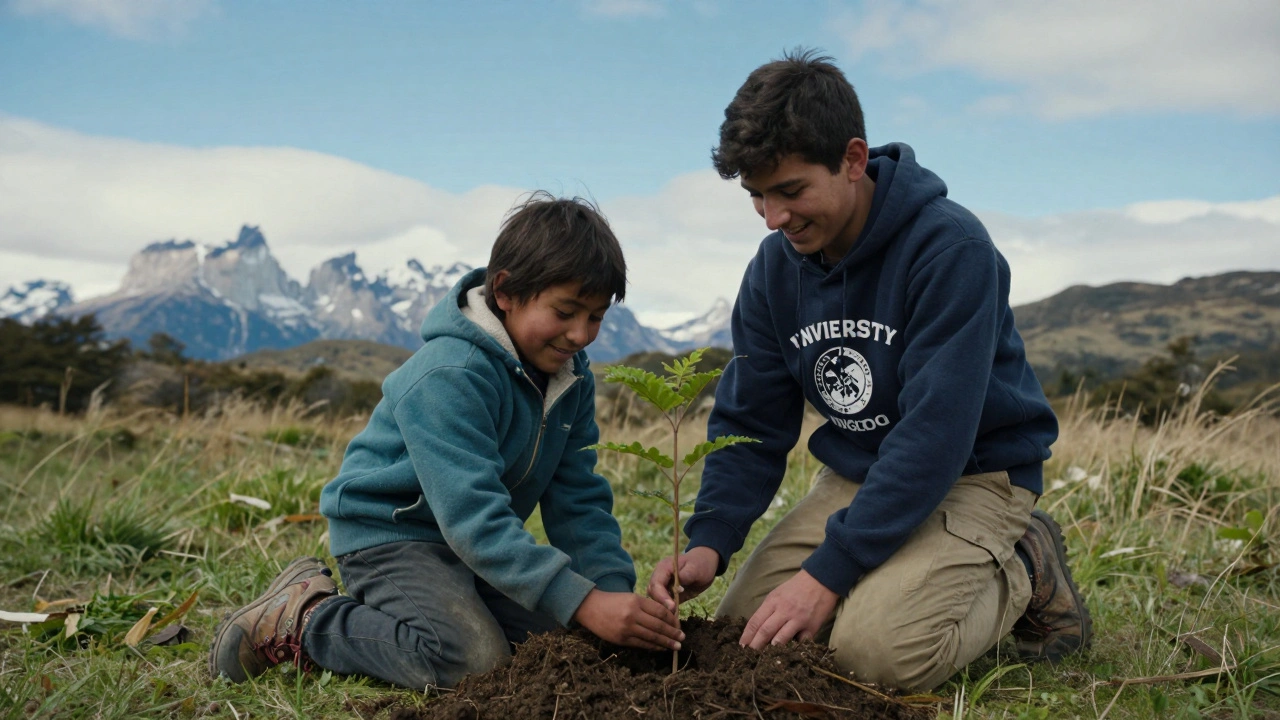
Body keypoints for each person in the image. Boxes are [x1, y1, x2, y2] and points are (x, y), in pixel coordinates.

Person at [647, 50, 1091, 691]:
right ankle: (892, 574)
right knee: (746, 637)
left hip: (975, 476)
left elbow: (936, 436)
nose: (774, 219)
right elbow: (752, 420)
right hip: (861, 474)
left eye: (791, 191)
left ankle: (1023, 566)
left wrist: (831, 573)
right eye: (757, 197)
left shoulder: (951, 250)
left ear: (853, 160)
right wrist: (710, 542)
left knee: (875, 657)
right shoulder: (773, 271)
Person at [210, 193, 684, 690]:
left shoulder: (570, 379)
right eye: (565, 311)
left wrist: (609, 597)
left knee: (572, 641)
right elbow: (471, 516)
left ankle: (453, 608)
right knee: (471, 662)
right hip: (392, 539)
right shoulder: (450, 374)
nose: (580, 334)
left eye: (596, 317)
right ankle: (305, 617)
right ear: (504, 291)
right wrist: (584, 601)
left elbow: (579, 498)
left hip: (473, 550)